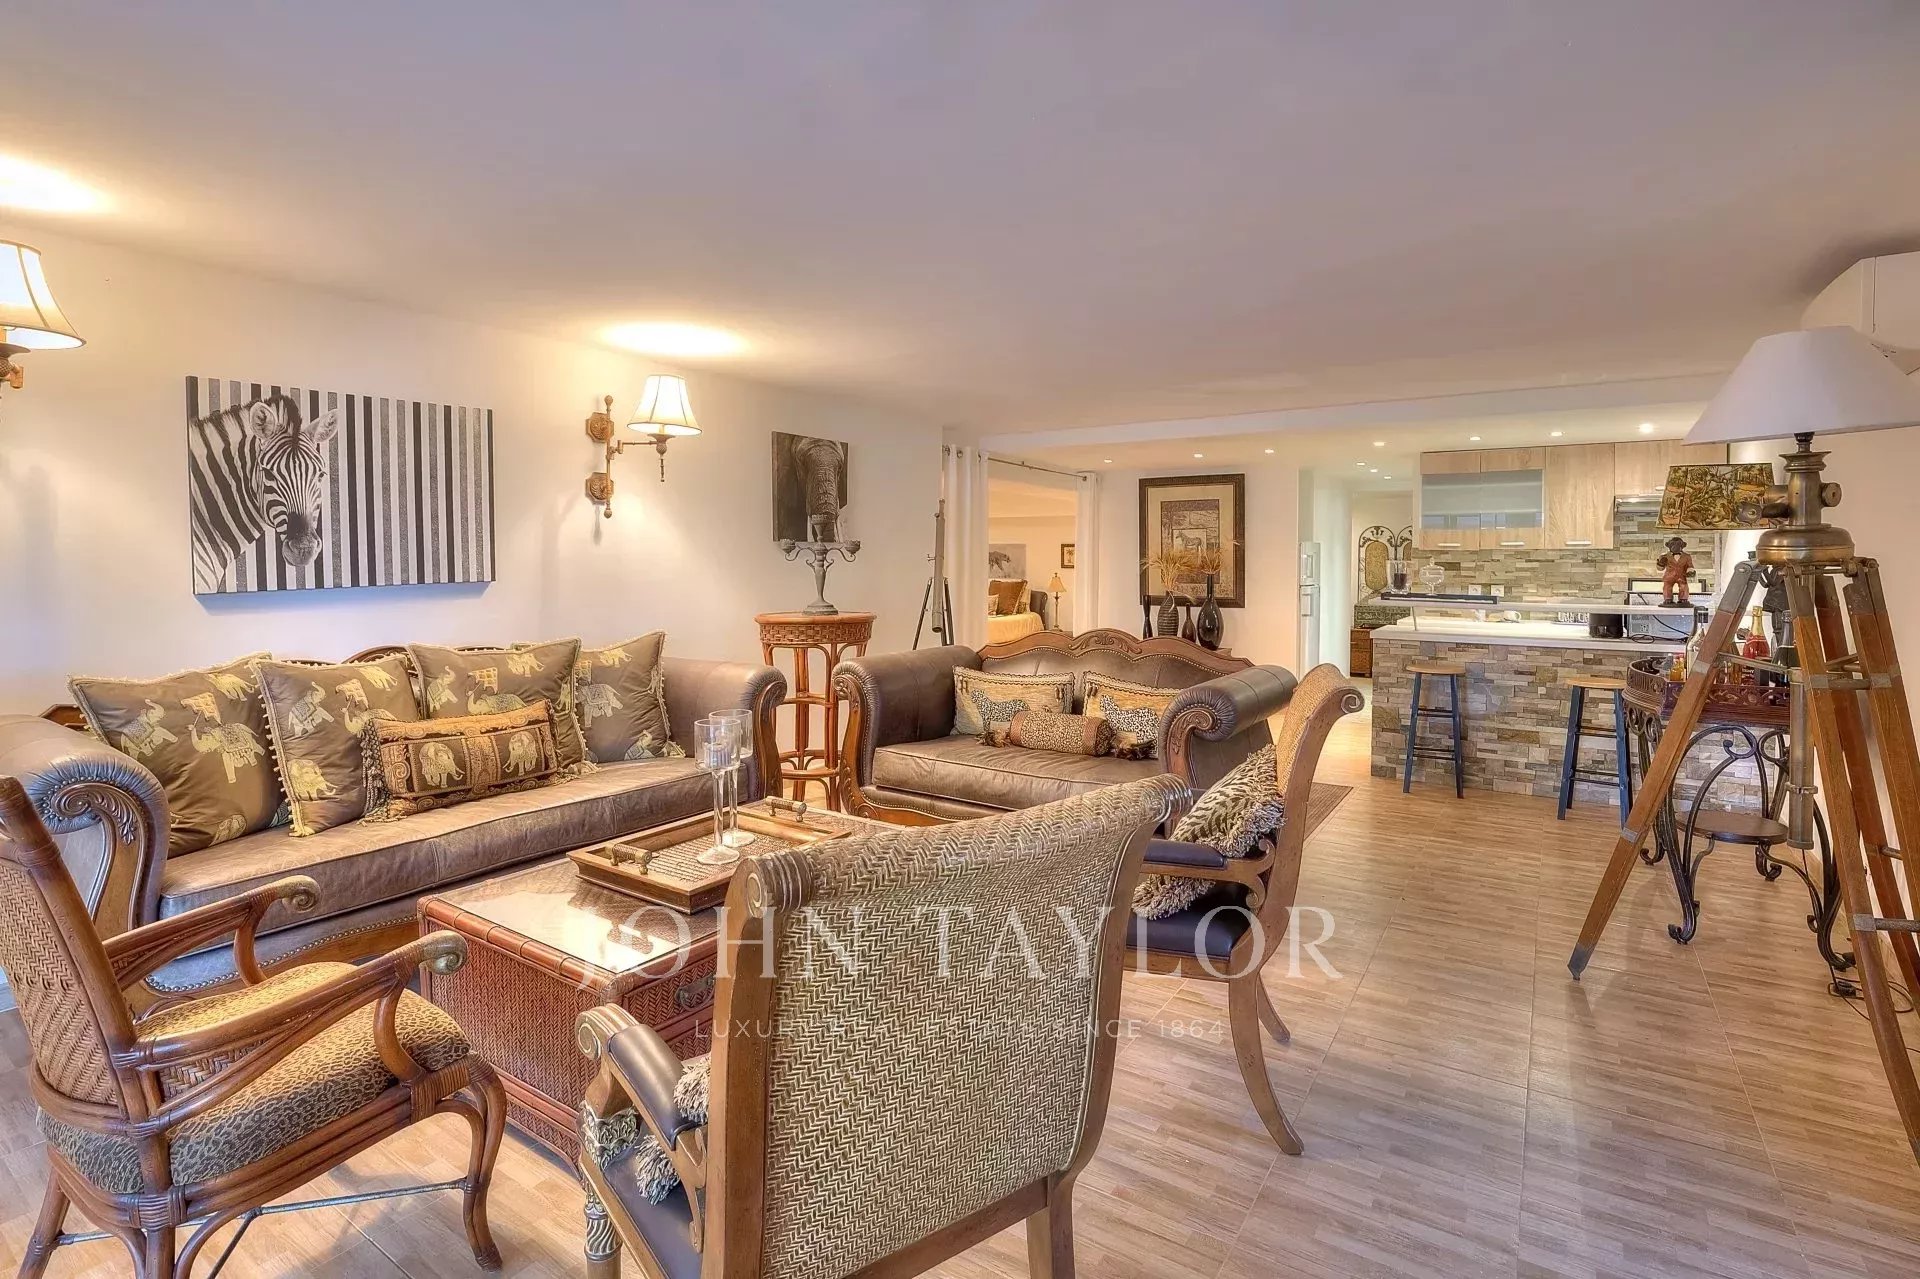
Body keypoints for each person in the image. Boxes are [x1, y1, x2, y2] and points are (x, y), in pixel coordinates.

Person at [1657, 536, 1695, 605]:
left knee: (1683, 587)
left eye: (1678, 544)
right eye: (1673, 544)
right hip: (1669, 576)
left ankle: (1683, 599)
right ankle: (1668, 599)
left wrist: (1690, 571)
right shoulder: (1664, 556)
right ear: (1668, 545)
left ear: (1683, 546)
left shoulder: (1687, 556)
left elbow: (1690, 566)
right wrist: (1661, 563)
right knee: (1667, 586)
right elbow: (1660, 569)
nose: (1676, 546)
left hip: (1682, 575)